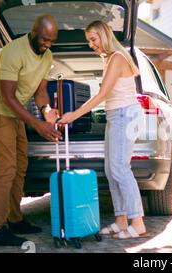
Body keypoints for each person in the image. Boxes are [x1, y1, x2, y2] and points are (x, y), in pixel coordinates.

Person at [58, 20, 146, 239]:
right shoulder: (109, 59)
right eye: (89, 40)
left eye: (93, 39)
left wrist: (73, 115)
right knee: (111, 170)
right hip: (116, 115)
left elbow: (103, 94)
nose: (91, 44)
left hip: (125, 114)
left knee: (120, 169)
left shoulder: (117, 57)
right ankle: (121, 220)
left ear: (104, 36)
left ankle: (138, 222)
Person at [0, 15, 61, 246]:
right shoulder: (12, 52)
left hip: (15, 113)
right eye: (45, 39)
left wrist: (46, 110)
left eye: (51, 41)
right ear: (34, 33)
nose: (48, 44)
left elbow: (40, 91)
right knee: (5, 169)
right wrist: (37, 124)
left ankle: (15, 219)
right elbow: (7, 96)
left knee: (20, 166)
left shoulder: (47, 55)